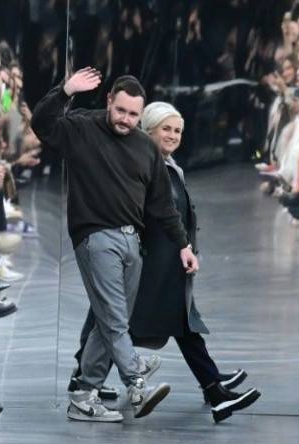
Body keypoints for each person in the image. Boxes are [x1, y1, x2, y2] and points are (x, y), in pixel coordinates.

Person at [31, 68, 199, 423]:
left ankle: (84, 395)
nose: (125, 120)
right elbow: (42, 124)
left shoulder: (144, 148)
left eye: (133, 114)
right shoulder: (82, 128)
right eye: (120, 110)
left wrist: (184, 245)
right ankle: (136, 383)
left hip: (131, 242)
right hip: (95, 237)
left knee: (105, 323)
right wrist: (65, 91)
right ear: (109, 101)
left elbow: (162, 205)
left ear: (141, 115)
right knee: (115, 317)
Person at [80, 102, 261, 423]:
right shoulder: (147, 166)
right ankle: (213, 388)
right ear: (148, 128)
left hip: (167, 260)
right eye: (166, 128)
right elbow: (152, 213)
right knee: (122, 322)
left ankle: (213, 386)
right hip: (151, 261)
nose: (173, 135)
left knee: (137, 322)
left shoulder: (165, 164)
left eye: (177, 130)